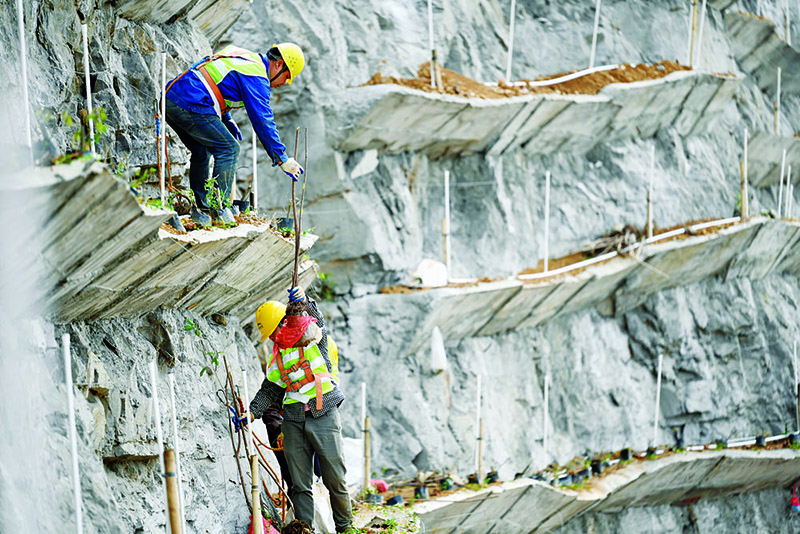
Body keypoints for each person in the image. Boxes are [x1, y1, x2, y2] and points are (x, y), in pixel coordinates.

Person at [164, 43, 306, 226]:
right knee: (229, 149)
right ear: (279, 64)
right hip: (192, 101)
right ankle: (219, 210)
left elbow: (216, 82)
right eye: (287, 76)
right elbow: (263, 120)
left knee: (201, 151)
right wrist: (282, 158)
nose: (284, 83)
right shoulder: (257, 75)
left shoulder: (244, 56)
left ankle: (203, 209)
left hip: (173, 99)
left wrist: (226, 118)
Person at [249, 287, 354, 533]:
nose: (274, 338)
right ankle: (305, 529)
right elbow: (270, 389)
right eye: (271, 335)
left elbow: (319, 321)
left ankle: (345, 527)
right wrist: (251, 413)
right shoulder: (277, 356)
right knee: (299, 483)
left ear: (284, 323)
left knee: (335, 478)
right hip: (293, 419)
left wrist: (305, 302)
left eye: (274, 331)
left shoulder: (313, 337)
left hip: (323, 413)